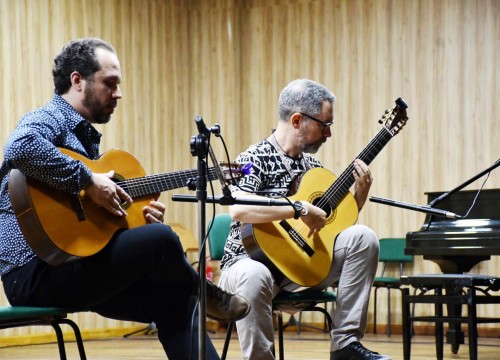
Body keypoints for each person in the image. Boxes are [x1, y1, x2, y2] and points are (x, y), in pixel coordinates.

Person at [0, 38, 250, 360]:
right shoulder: (51, 118)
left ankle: (196, 291)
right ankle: (206, 291)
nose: (118, 94)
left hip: (76, 263)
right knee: (163, 239)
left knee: (175, 298)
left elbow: (88, 229)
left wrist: (135, 222)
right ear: (77, 80)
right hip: (35, 273)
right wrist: (88, 180)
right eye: (110, 83)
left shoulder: (85, 140)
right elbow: (20, 147)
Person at [218, 79, 392, 360]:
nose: (329, 133)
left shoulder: (313, 168)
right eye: (325, 124)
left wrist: (359, 196)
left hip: (302, 267)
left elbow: (332, 228)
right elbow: (238, 208)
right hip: (247, 264)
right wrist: (297, 208)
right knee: (255, 274)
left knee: (364, 238)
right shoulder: (254, 158)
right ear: (298, 119)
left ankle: (346, 345)